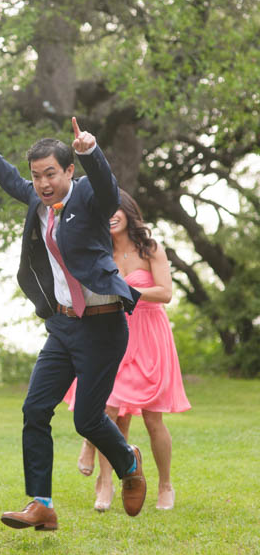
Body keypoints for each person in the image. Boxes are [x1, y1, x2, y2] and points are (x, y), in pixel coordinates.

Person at [0, 112, 146, 528]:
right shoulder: (37, 203)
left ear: (69, 171)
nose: (42, 183)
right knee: (35, 409)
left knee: (87, 420)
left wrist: (92, 152)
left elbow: (110, 192)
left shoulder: (89, 197)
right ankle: (41, 503)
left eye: (51, 174)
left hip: (103, 323)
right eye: (36, 176)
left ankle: (128, 461)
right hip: (62, 325)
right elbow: (8, 179)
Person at [72, 190, 190, 512]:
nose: (111, 216)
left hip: (150, 334)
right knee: (110, 408)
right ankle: (106, 482)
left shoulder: (150, 248)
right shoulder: (100, 251)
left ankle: (165, 484)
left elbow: (165, 292)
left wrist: (125, 289)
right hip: (114, 333)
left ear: (127, 211)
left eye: (115, 209)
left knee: (153, 419)